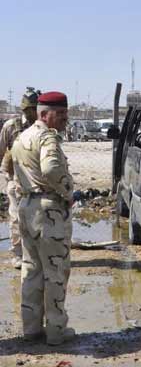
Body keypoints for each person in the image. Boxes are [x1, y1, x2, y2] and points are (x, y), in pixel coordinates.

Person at [12, 91, 75, 345]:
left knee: (31, 271)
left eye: (65, 114)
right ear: (43, 114)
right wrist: (68, 190)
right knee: (56, 272)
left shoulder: (22, 137)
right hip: (48, 211)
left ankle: (31, 329)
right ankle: (56, 332)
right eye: (59, 114)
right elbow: (50, 169)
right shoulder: (47, 137)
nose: (64, 119)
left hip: (26, 207)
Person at [0, 87, 40, 269]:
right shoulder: (11, 127)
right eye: (30, 109)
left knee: (38, 219)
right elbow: (1, 152)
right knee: (16, 218)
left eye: (35, 109)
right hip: (16, 181)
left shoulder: (43, 128)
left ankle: (34, 254)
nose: (32, 113)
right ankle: (17, 254)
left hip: (38, 182)